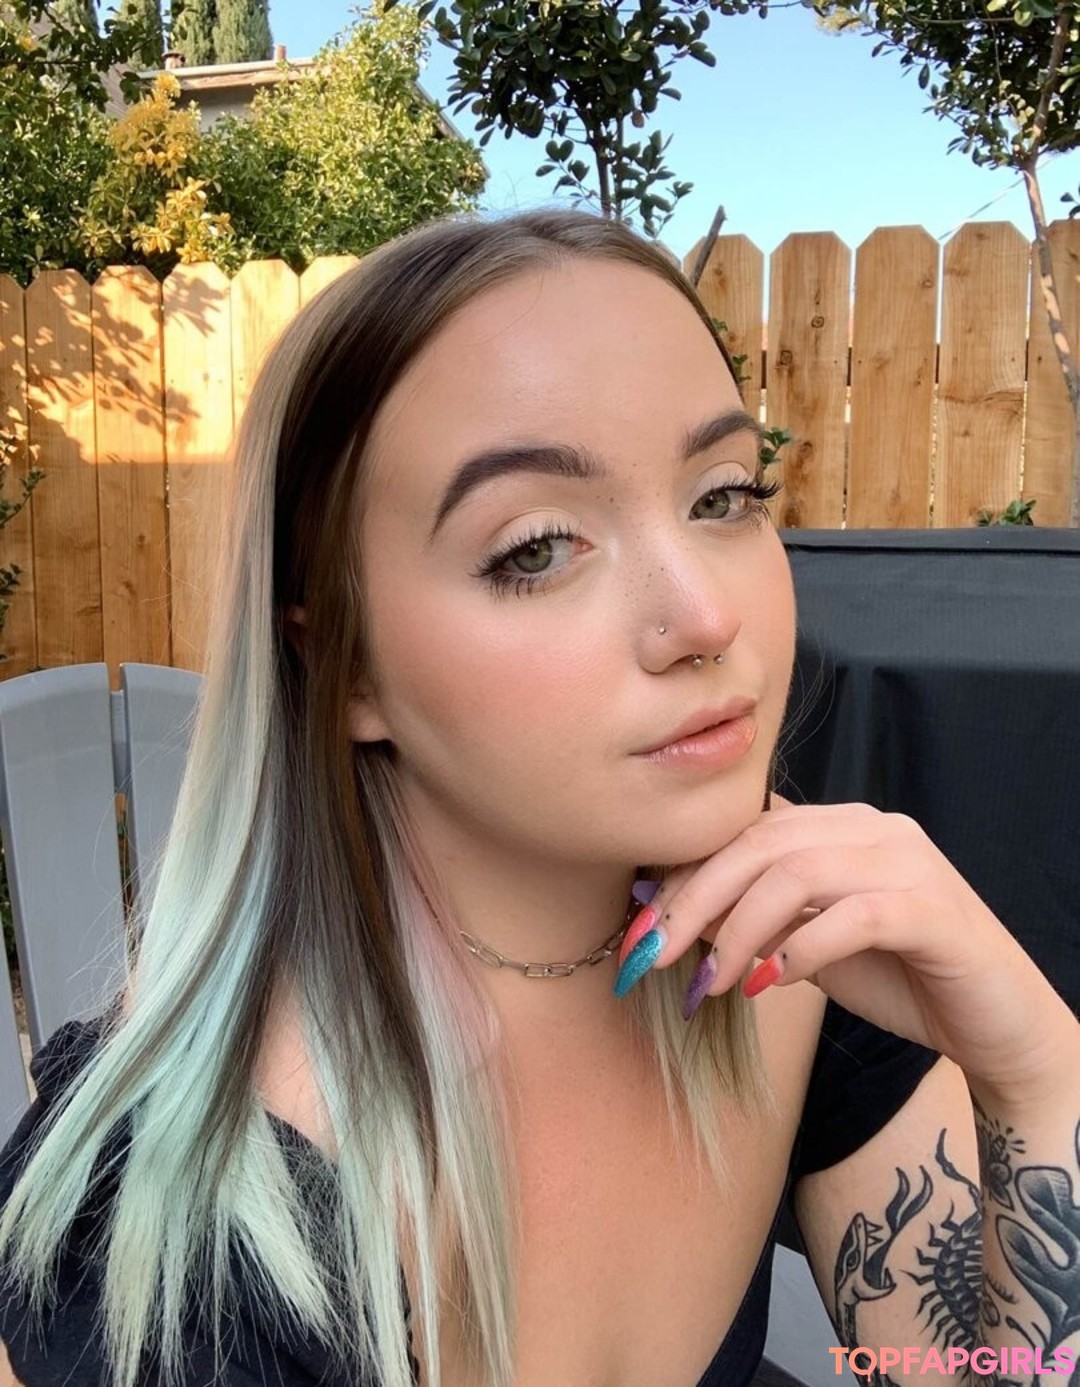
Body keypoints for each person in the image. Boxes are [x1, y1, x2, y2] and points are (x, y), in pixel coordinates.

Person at [0, 206, 1076, 1387]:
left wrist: (1035, 1072)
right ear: (344, 666)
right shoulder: (183, 1243)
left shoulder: (786, 953)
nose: (705, 617)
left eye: (724, 494)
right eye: (537, 548)